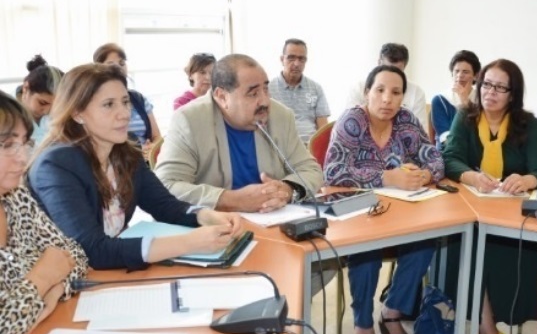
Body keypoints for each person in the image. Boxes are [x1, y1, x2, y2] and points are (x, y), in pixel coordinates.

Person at [27, 64, 244, 271]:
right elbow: (90, 250)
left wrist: (205, 216)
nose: (124, 113)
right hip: (65, 286)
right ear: (77, 113)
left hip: (114, 273)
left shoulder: (124, 148)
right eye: (108, 104)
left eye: (125, 102)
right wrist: (190, 242)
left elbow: (165, 206)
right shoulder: (56, 165)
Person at [442, 59, 537, 334]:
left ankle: (485, 329)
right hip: (472, 209)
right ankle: (489, 332)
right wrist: (471, 176)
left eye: (499, 87)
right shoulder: (466, 117)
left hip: (509, 214)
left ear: (512, 94)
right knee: (468, 244)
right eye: (485, 84)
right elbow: (450, 159)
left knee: (498, 249)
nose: (490, 92)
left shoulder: (526, 124)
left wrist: (527, 180)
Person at [325, 65, 444, 334]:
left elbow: (436, 159)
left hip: (402, 212)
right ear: (367, 93)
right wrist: (386, 177)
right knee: (367, 252)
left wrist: (424, 176)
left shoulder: (406, 121)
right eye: (379, 90)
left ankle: (391, 312)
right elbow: (332, 171)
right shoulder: (352, 120)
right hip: (360, 214)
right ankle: (363, 321)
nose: (387, 99)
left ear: (403, 97)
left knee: (424, 243)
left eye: (396, 92)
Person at [155, 53, 323, 213]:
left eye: (266, 89)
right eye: (253, 93)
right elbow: (166, 185)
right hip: (215, 227)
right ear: (222, 97)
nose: (265, 101)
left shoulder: (281, 116)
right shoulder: (189, 120)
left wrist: (288, 189)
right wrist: (231, 200)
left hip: (273, 221)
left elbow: (311, 170)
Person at [0, 92, 88, 334]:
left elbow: (76, 255)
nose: (23, 158)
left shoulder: (15, 197)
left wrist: (56, 287)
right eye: (7, 146)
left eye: (25, 143)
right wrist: (42, 278)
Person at [92, 43, 162, 159]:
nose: (118, 68)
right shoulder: (95, 102)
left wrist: (152, 148)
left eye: (122, 63)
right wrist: (136, 152)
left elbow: (157, 136)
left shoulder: (138, 99)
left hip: (145, 163)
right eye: (111, 64)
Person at [346, 43, 428, 132]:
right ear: (379, 63)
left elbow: (421, 132)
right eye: (386, 69)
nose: (387, 99)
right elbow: (349, 123)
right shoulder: (359, 88)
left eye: (397, 72)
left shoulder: (416, 92)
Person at [268, 39, 330, 144]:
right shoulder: (268, 89)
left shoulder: (316, 88)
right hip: (281, 147)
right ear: (282, 59)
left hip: (310, 147)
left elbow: (323, 128)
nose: (296, 64)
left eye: (301, 59)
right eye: (291, 58)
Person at [430, 50, 481, 149]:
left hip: (475, 152)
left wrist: (465, 101)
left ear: (475, 76)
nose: (460, 75)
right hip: (448, 152)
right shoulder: (440, 100)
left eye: (465, 72)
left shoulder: (482, 100)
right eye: (456, 71)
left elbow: (480, 134)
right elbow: (445, 137)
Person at [19, 55, 64, 144]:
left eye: (56, 105)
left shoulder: (61, 115)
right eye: (42, 103)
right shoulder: (6, 112)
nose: (47, 111)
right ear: (26, 88)